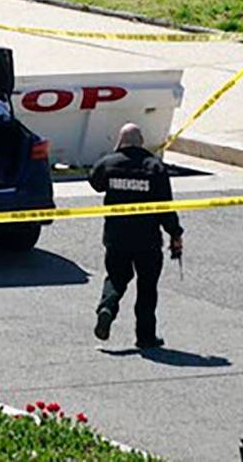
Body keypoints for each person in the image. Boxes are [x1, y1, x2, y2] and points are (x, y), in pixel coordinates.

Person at [90, 123, 183, 349]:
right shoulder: (155, 167)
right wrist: (175, 233)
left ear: (121, 141)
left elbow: (95, 182)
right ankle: (145, 336)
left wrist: (114, 154)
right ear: (141, 141)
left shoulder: (109, 163)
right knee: (147, 287)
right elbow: (165, 207)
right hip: (147, 240)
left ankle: (107, 308)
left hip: (116, 237)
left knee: (116, 277)